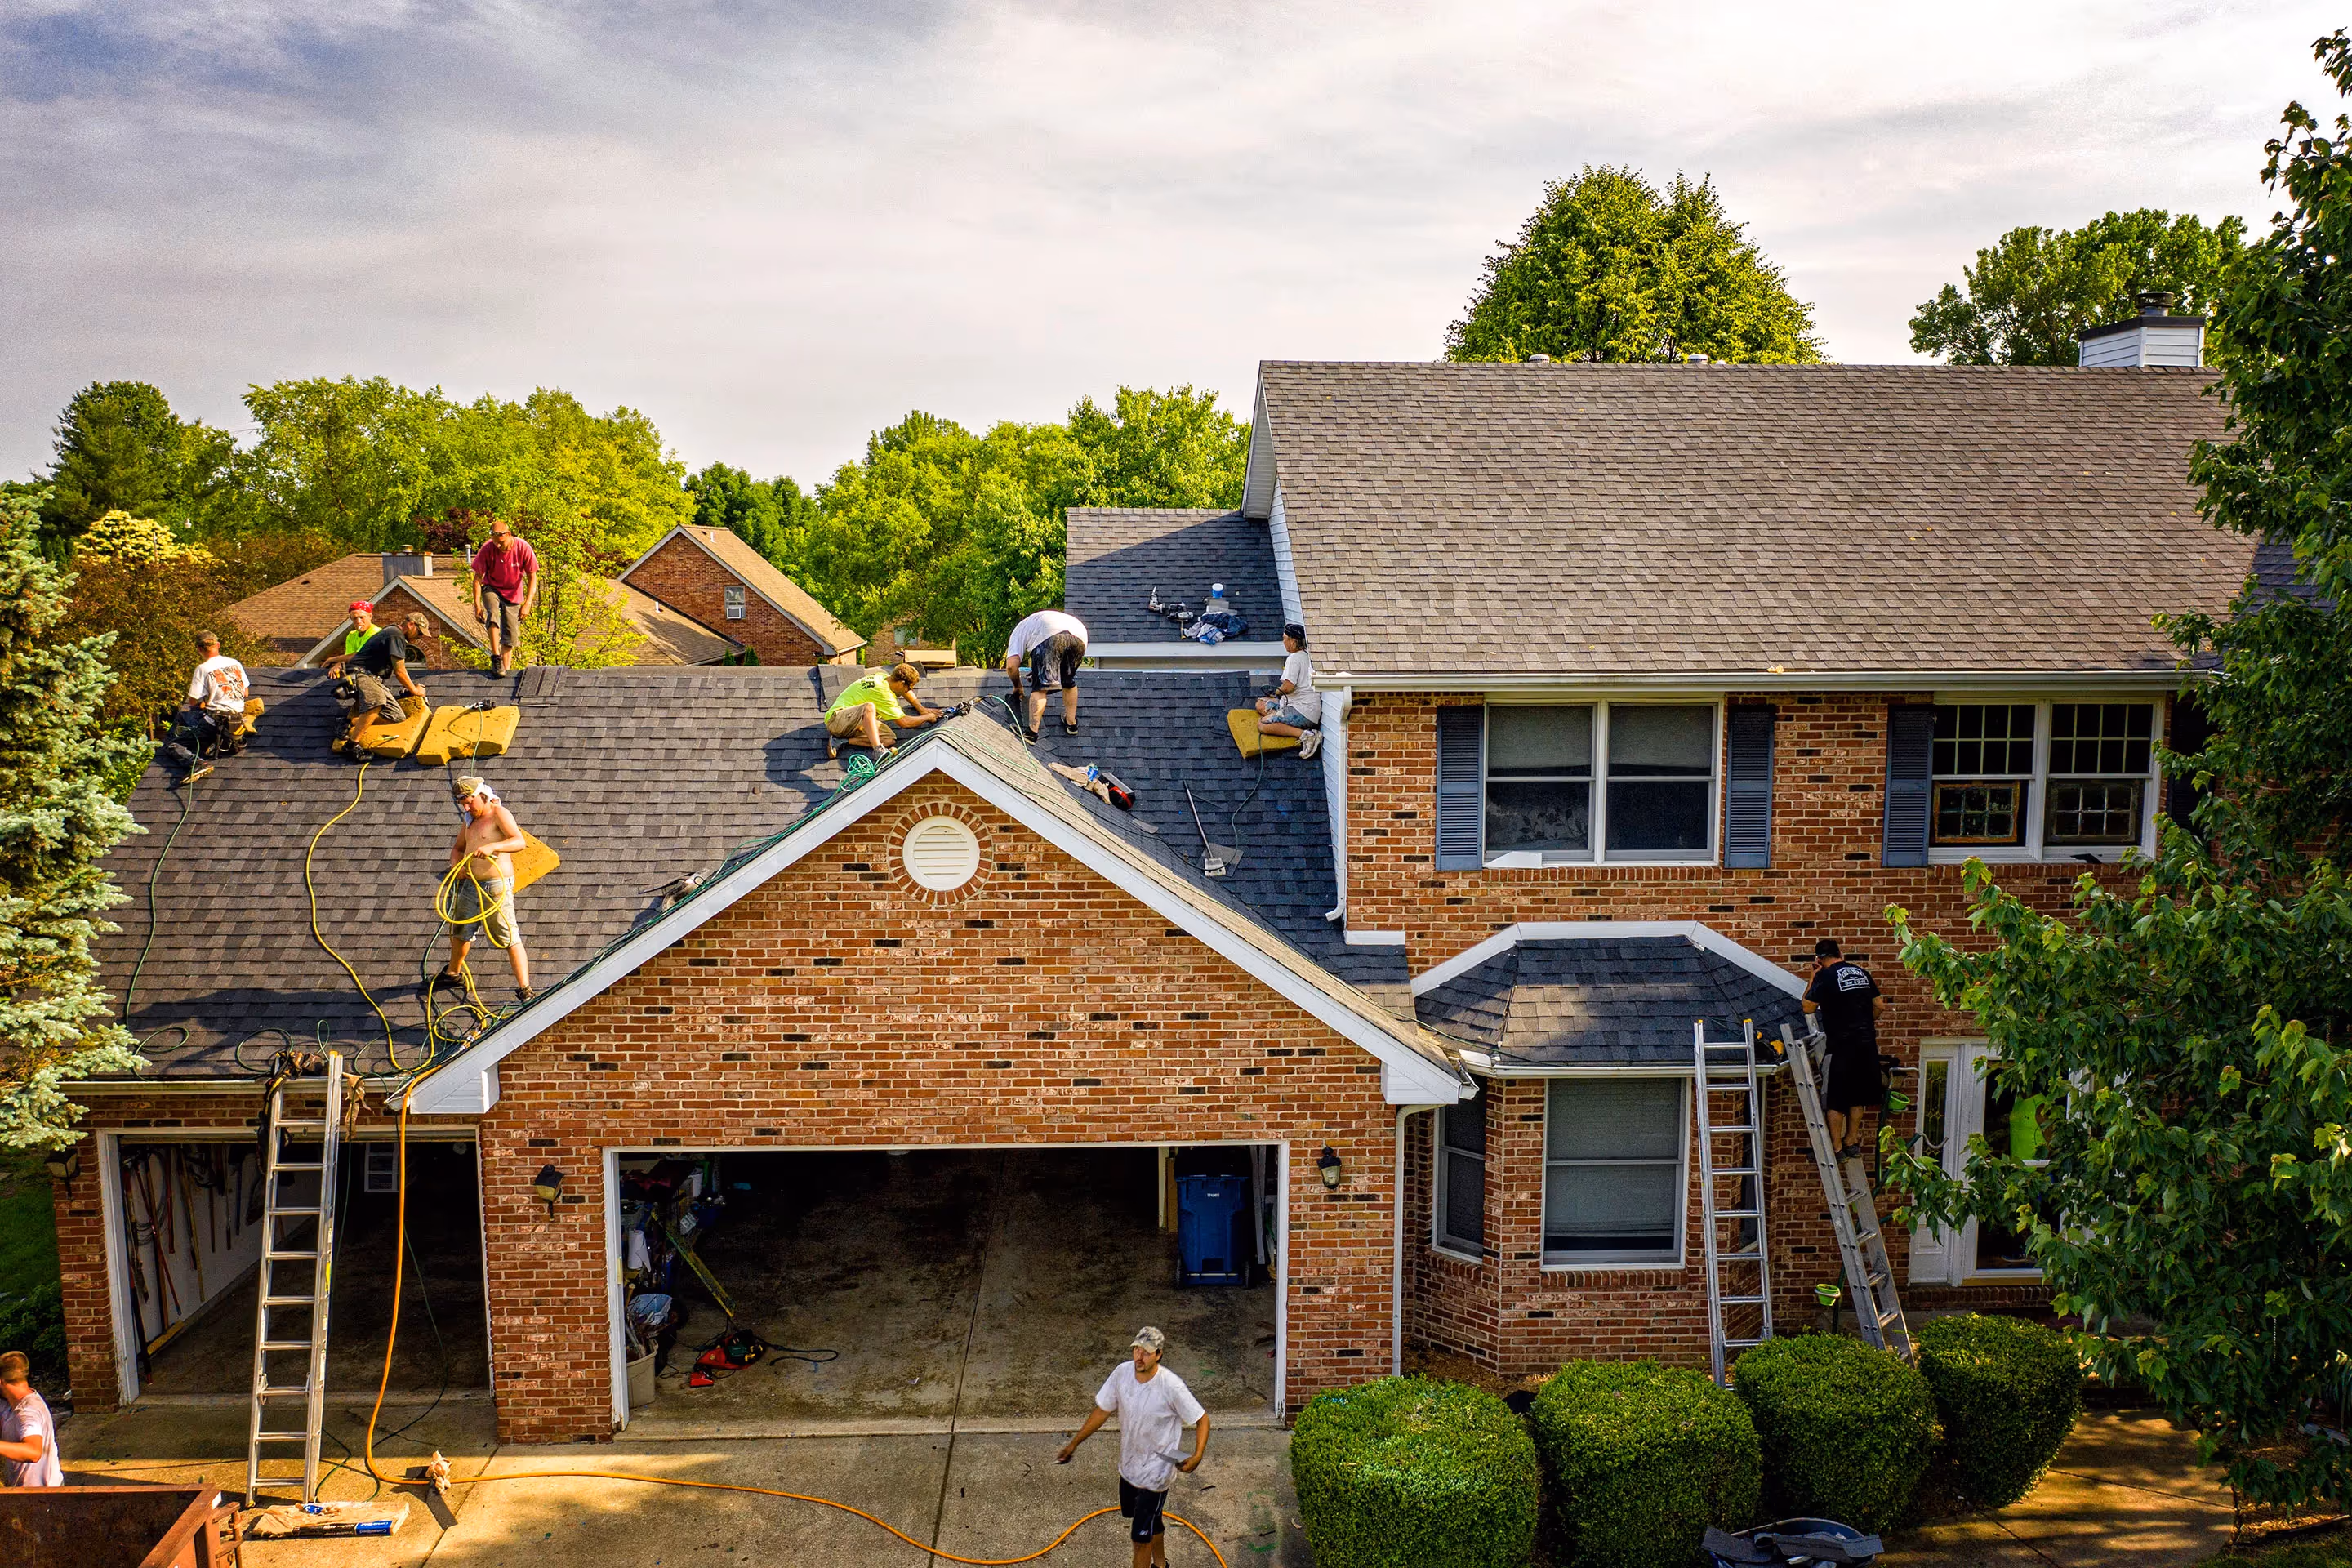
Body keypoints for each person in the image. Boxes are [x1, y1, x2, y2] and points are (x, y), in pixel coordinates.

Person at [1055, 1327, 1208, 1568]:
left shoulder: (1171, 1386)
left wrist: (1197, 1454)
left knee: (1140, 1540)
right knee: (1148, 1521)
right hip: (1130, 1465)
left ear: (1158, 1354)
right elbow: (1102, 1410)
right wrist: (1074, 1443)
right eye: (1136, 1349)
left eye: (1146, 1352)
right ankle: (1161, 1565)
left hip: (1158, 1469)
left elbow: (1202, 1419)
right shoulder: (1122, 1373)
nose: (1139, 1356)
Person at [435, 776, 532, 1000]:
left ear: (483, 795)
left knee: (508, 936)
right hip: (470, 885)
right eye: (463, 805)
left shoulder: (499, 813)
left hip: (495, 886)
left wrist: (493, 846)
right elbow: (458, 849)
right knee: (460, 930)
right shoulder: (470, 820)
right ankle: (453, 973)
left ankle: (525, 987)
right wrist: (455, 866)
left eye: (470, 802)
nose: (467, 808)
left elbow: (519, 841)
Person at [1802, 937, 1888, 1159]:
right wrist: (1865, 1024)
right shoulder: (1861, 973)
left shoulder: (1825, 975)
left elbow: (1808, 1007)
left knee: (1835, 1098)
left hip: (1841, 1045)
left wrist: (1813, 977)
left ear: (1819, 959)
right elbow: (1879, 1005)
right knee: (1857, 1096)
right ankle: (1852, 1141)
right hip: (1866, 1044)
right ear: (1841, 954)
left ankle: (1836, 1148)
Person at [327, 611, 430, 754]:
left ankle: (346, 723)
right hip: (361, 674)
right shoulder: (396, 635)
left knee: (396, 716)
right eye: (420, 633)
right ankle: (352, 746)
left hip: (371, 678)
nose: (419, 637)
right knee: (377, 700)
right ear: (411, 624)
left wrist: (335, 660)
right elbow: (399, 671)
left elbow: (360, 654)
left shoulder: (391, 632)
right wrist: (415, 690)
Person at [163, 630, 251, 783]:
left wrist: (206, 700)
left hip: (214, 724)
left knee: (173, 743)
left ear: (199, 649)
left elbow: (193, 701)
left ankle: (197, 764)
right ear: (218, 645)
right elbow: (246, 692)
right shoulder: (235, 663)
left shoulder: (202, 669)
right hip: (237, 722)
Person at [1002, 609, 1088, 738]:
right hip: (1080, 635)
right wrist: (1038, 670)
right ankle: (1071, 724)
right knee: (1068, 682)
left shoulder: (1018, 631)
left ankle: (1031, 732)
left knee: (1041, 687)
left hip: (1050, 634)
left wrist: (1018, 687)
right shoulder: (1035, 621)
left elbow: (1011, 667)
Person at [823, 662, 943, 755]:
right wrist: (928, 717)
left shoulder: (884, 678)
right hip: (836, 720)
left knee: (889, 740)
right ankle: (878, 751)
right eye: (909, 687)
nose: (908, 691)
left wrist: (921, 709)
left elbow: (906, 691)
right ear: (901, 683)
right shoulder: (882, 692)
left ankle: (841, 741)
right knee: (869, 707)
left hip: (853, 722)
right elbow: (904, 722)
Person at [470, 518, 539, 677]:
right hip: (492, 587)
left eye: (500, 542)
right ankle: (495, 657)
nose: (497, 546)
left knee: (510, 632)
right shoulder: (488, 548)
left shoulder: (523, 548)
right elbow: (478, 577)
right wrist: (477, 605)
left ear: (509, 535)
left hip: (513, 593)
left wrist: (528, 603)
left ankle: (504, 670)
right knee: (493, 613)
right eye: (495, 542)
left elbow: (532, 576)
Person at [1253, 622, 1324, 759]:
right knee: (1261, 703)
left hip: (1302, 711)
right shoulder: (1305, 655)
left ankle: (1307, 736)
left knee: (1263, 725)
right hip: (1301, 707)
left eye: (1285, 638)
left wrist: (1277, 692)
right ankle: (1279, 716)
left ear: (1293, 641)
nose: (1283, 641)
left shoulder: (1294, 658)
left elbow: (1288, 688)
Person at [0, 1349, 63, 1486]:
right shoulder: (10, 1404)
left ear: (2, 1382)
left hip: (43, 1496)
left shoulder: (28, 1412)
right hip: (23, 1493)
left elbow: (33, 1453)